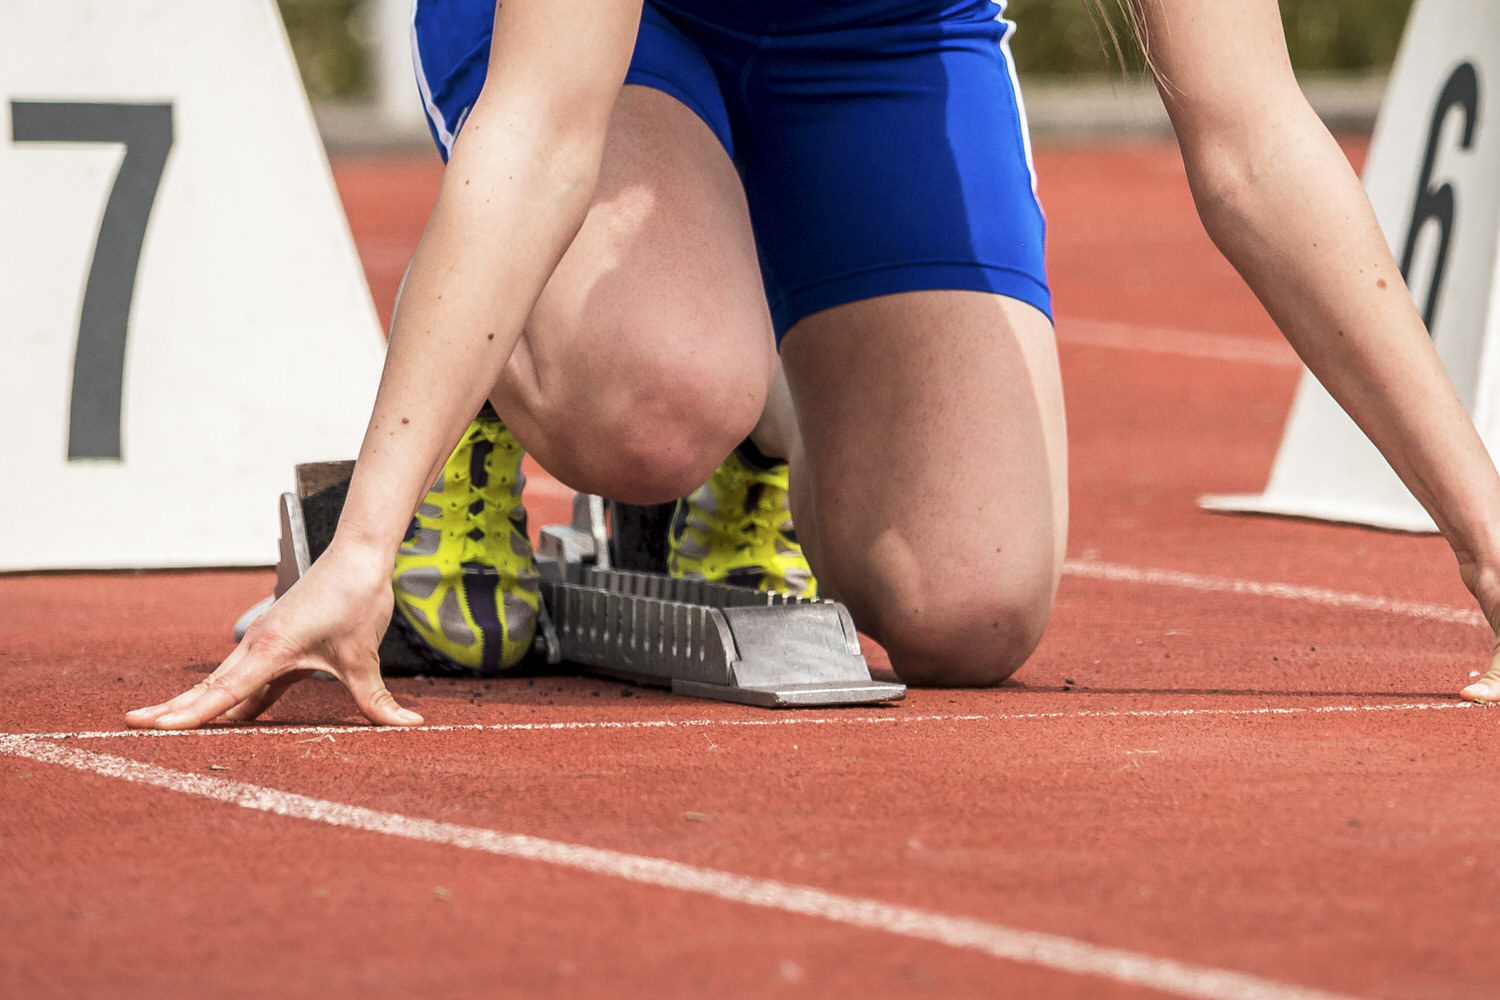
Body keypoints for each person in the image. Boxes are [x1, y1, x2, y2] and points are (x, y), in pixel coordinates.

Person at [127, 0, 1500, 730]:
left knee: (971, 604)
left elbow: (1254, 142)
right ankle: (479, 402)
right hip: (609, 40)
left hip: (882, 41)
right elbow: (547, 124)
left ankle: (749, 420)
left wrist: (1488, 545)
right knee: (653, 389)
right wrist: (361, 550)